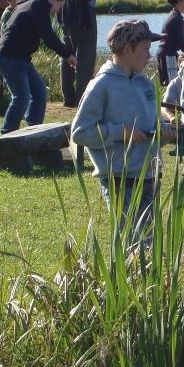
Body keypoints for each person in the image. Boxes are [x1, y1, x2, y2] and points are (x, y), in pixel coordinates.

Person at [71, 20, 171, 242]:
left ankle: (146, 278)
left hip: (149, 176)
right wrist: (120, 133)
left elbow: (150, 124)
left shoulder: (145, 83)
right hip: (120, 180)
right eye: (145, 49)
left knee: (149, 242)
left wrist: (163, 132)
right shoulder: (101, 85)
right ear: (127, 49)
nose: (150, 55)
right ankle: (124, 277)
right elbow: (80, 132)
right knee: (132, 242)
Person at [0, 0, 77, 134]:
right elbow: (48, 36)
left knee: (39, 92)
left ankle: (32, 132)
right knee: (22, 97)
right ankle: (6, 136)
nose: (58, 11)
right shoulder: (38, 5)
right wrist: (67, 54)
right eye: (60, 5)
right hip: (9, 56)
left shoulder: (31, 1)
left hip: (20, 57)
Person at [58, 0, 97, 108]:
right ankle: (82, 100)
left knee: (67, 57)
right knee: (85, 60)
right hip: (83, 20)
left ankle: (68, 98)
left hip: (65, 19)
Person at [156, 0, 184, 86]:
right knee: (173, 85)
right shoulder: (177, 19)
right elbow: (181, 43)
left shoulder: (172, 16)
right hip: (169, 55)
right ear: (179, 2)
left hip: (164, 53)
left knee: (167, 85)